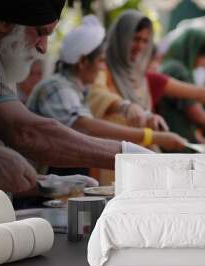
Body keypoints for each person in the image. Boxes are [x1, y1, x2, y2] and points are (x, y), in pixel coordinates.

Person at [0, 0, 149, 192]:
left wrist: (45, 184)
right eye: (40, 32)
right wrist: (129, 155)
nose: (43, 48)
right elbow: (27, 132)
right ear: (4, 22)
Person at [27, 16, 187, 160]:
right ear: (83, 62)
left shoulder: (79, 90)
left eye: (145, 41)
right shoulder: (58, 88)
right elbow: (88, 127)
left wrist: (146, 116)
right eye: (101, 61)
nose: (103, 67)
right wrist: (151, 137)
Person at [88, 10, 167, 131]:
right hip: (109, 147)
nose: (140, 46)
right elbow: (95, 94)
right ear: (121, 38)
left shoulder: (139, 75)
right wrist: (125, 107)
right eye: (135, 39)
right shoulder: (102, 67)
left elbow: (143, 114)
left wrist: (150, 118)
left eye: (145, 41)